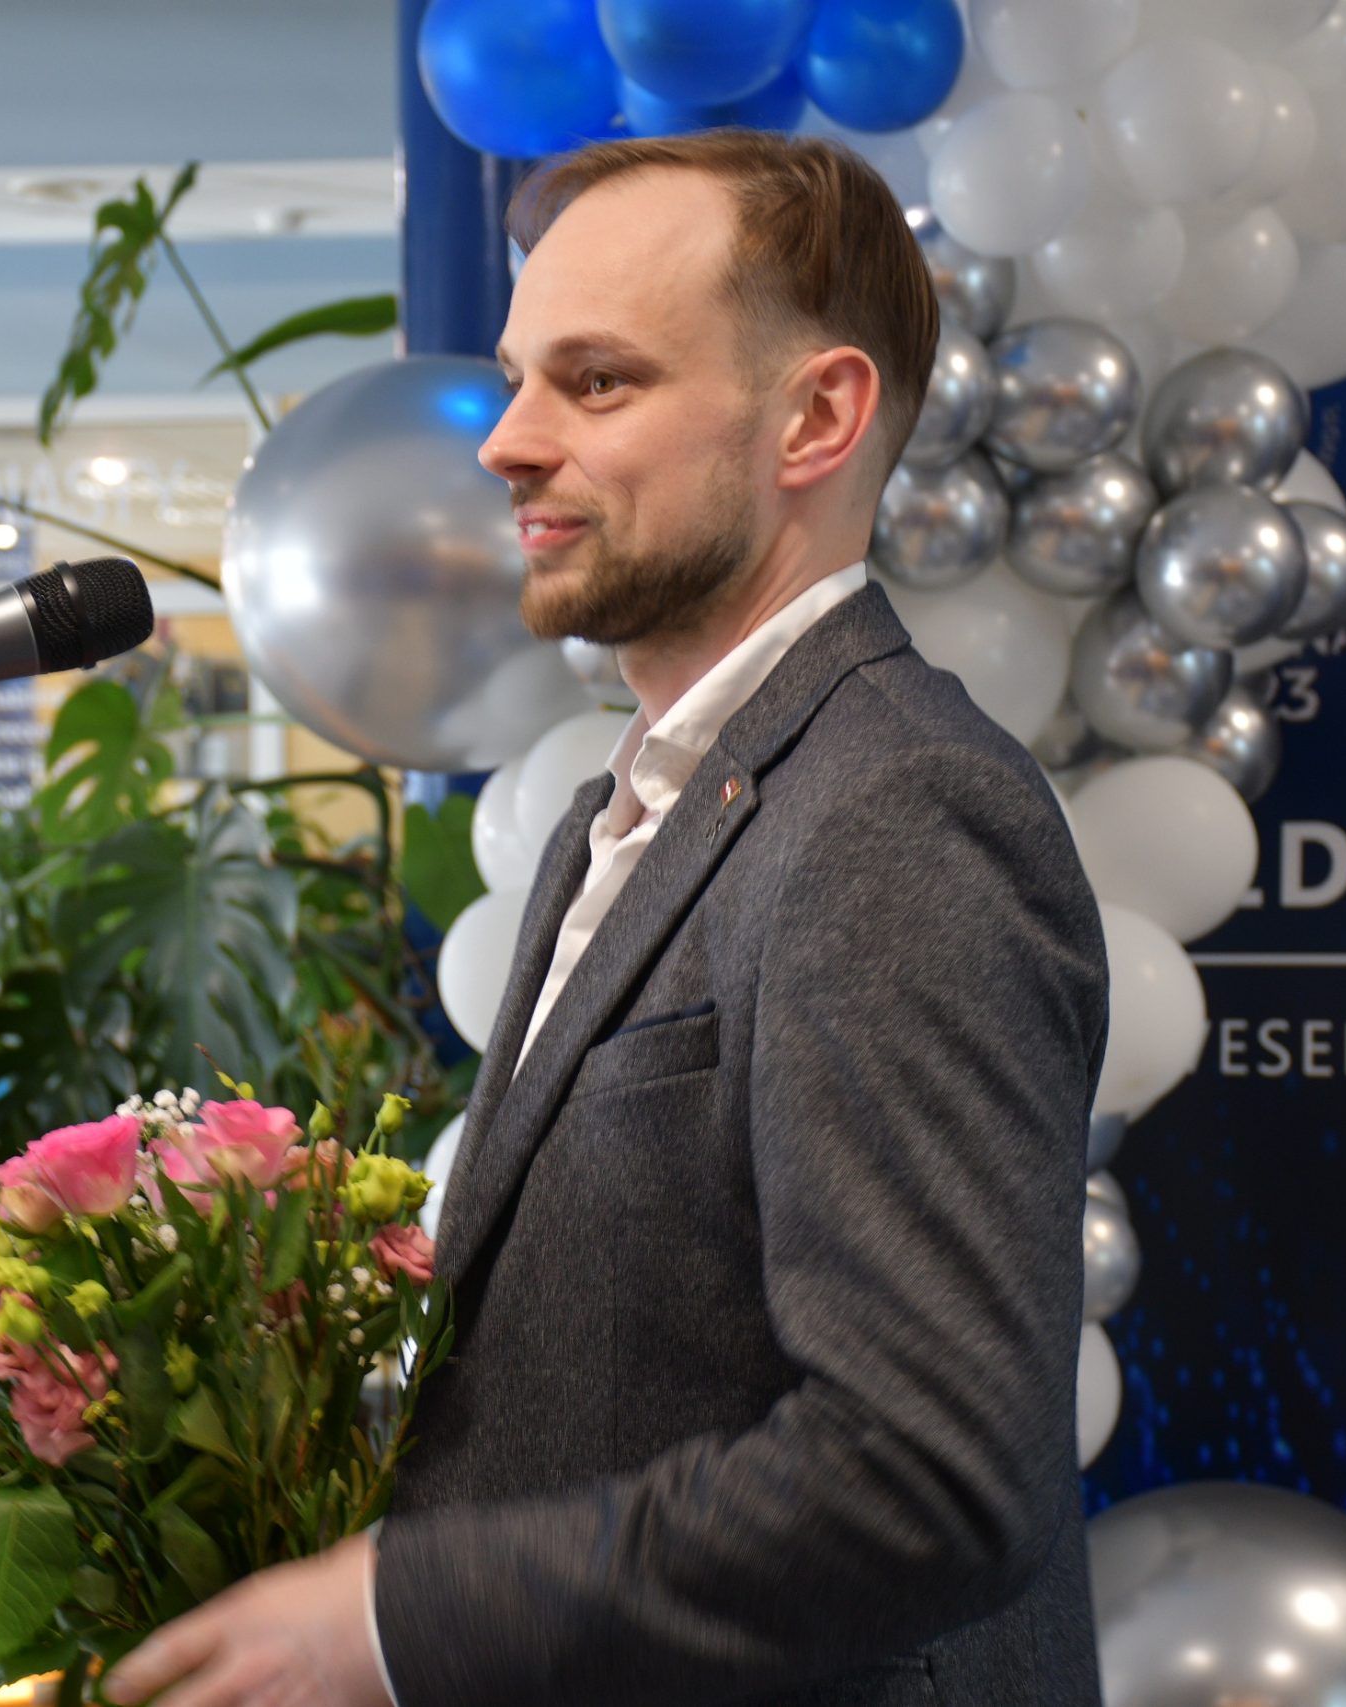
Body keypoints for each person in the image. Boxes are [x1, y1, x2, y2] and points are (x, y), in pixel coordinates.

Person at [103, 129, 1109, 1707]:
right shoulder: (617, 814)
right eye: (519, 381)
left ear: (818, 418)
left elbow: (930, 1471)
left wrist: (398, 1619)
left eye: (597, 382)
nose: (507, 443)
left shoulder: (897, 809)